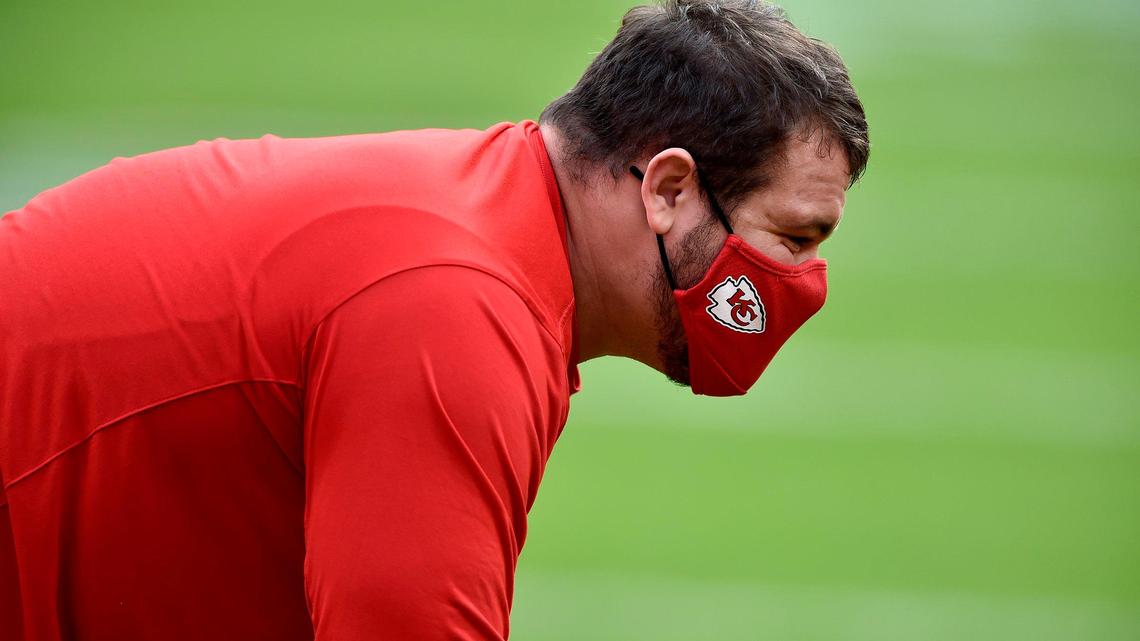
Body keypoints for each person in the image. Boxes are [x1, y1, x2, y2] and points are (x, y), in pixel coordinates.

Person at [0, 0, 868, 638]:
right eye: (790, 238)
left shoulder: (491, 231)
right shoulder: (463, 309)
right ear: (669, 189)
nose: (802, 282)